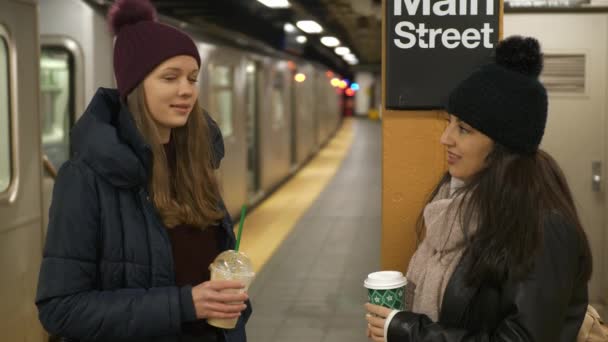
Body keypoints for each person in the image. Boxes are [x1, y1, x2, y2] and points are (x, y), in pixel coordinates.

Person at [35, 0, 251, 341]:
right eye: (170, 77)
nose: (186, 90)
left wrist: (231, 303)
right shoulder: (85, 178)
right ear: (134, 87)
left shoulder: (197, 165)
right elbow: (59, 309)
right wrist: (185, 305)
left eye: (192, 78)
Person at [365, 36, 593, 341]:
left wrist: (411, 332)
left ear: (503, 146)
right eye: (449, 122)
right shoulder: (455, 205)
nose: (445, 138)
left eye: (464, 129)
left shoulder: (544, 227)